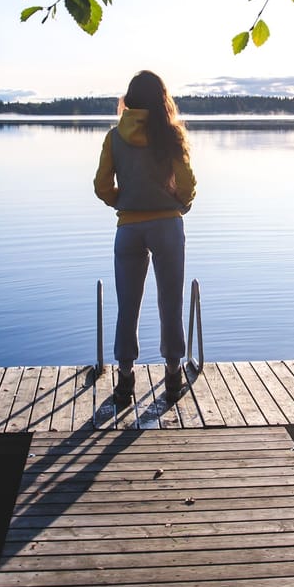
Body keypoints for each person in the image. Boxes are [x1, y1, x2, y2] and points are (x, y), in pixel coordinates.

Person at [93, 70, 197, 404]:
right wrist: (181, 203)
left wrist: (121, 202)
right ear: (162, 100)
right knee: (171, 302)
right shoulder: (172, 135)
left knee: (127, 305)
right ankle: (172, 375)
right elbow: (188, 182)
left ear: (130, 99)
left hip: (129, 229)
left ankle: (125, 381)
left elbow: (102, 186)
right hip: (168, 225)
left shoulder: (114, 137)